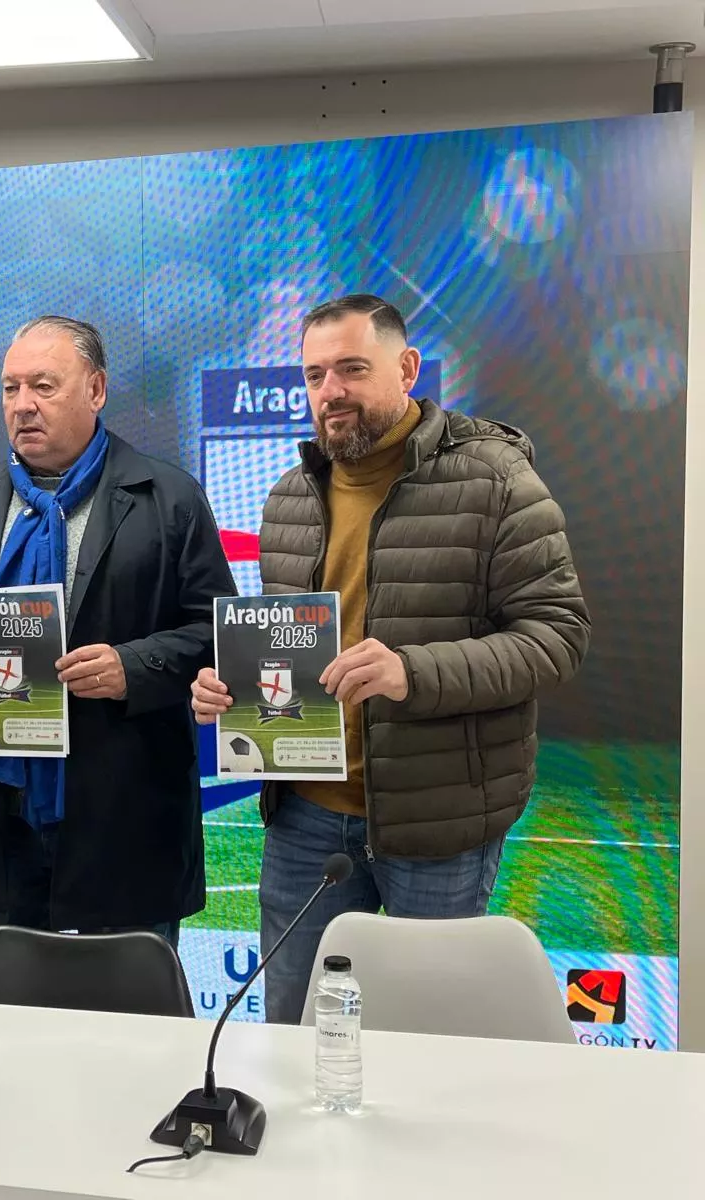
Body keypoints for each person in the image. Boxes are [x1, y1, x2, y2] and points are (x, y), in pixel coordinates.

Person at [190, 293, 591, 1024]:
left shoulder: (495, 478)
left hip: (436, 820)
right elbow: (283, 649)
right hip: (305, 817)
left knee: (429, 1038)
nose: (330, 391)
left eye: (352, 369)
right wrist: (227, 688)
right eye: (314, 375)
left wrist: (413, 672)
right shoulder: (289, 496)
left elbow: (556, 634)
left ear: (406, 369)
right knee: (292, 1029)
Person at [0, 316, 235, 952]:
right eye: (10, 388)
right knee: (3, 1008)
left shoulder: (168, 497)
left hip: (124, 813)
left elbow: (217, 632)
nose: (22, 405)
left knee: (127, 1011)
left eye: (43, 386)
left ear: (97, 389)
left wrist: (132, 667)